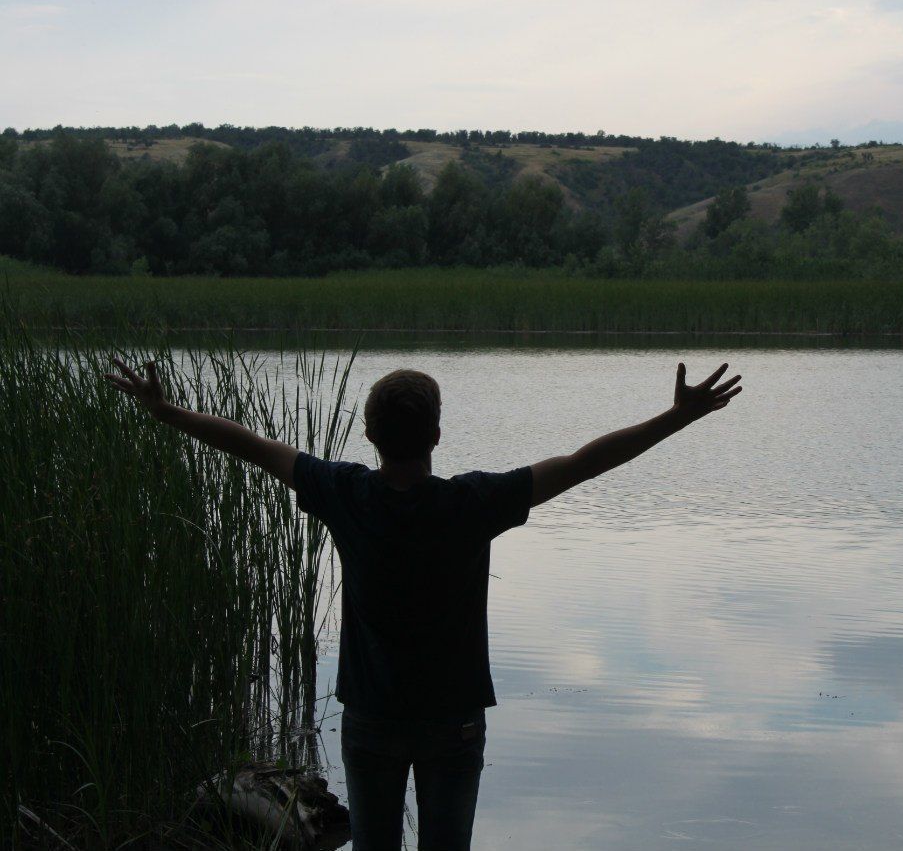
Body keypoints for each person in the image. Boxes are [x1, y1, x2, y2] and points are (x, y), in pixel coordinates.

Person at [104, 357, 743, 851]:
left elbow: (251, 445)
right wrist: (678, 416)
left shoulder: (344, 492)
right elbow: (584, 463)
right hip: (454, 724)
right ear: (437, 432)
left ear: (368, 434)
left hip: (374, 721)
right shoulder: (473, 502)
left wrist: (168, 413)